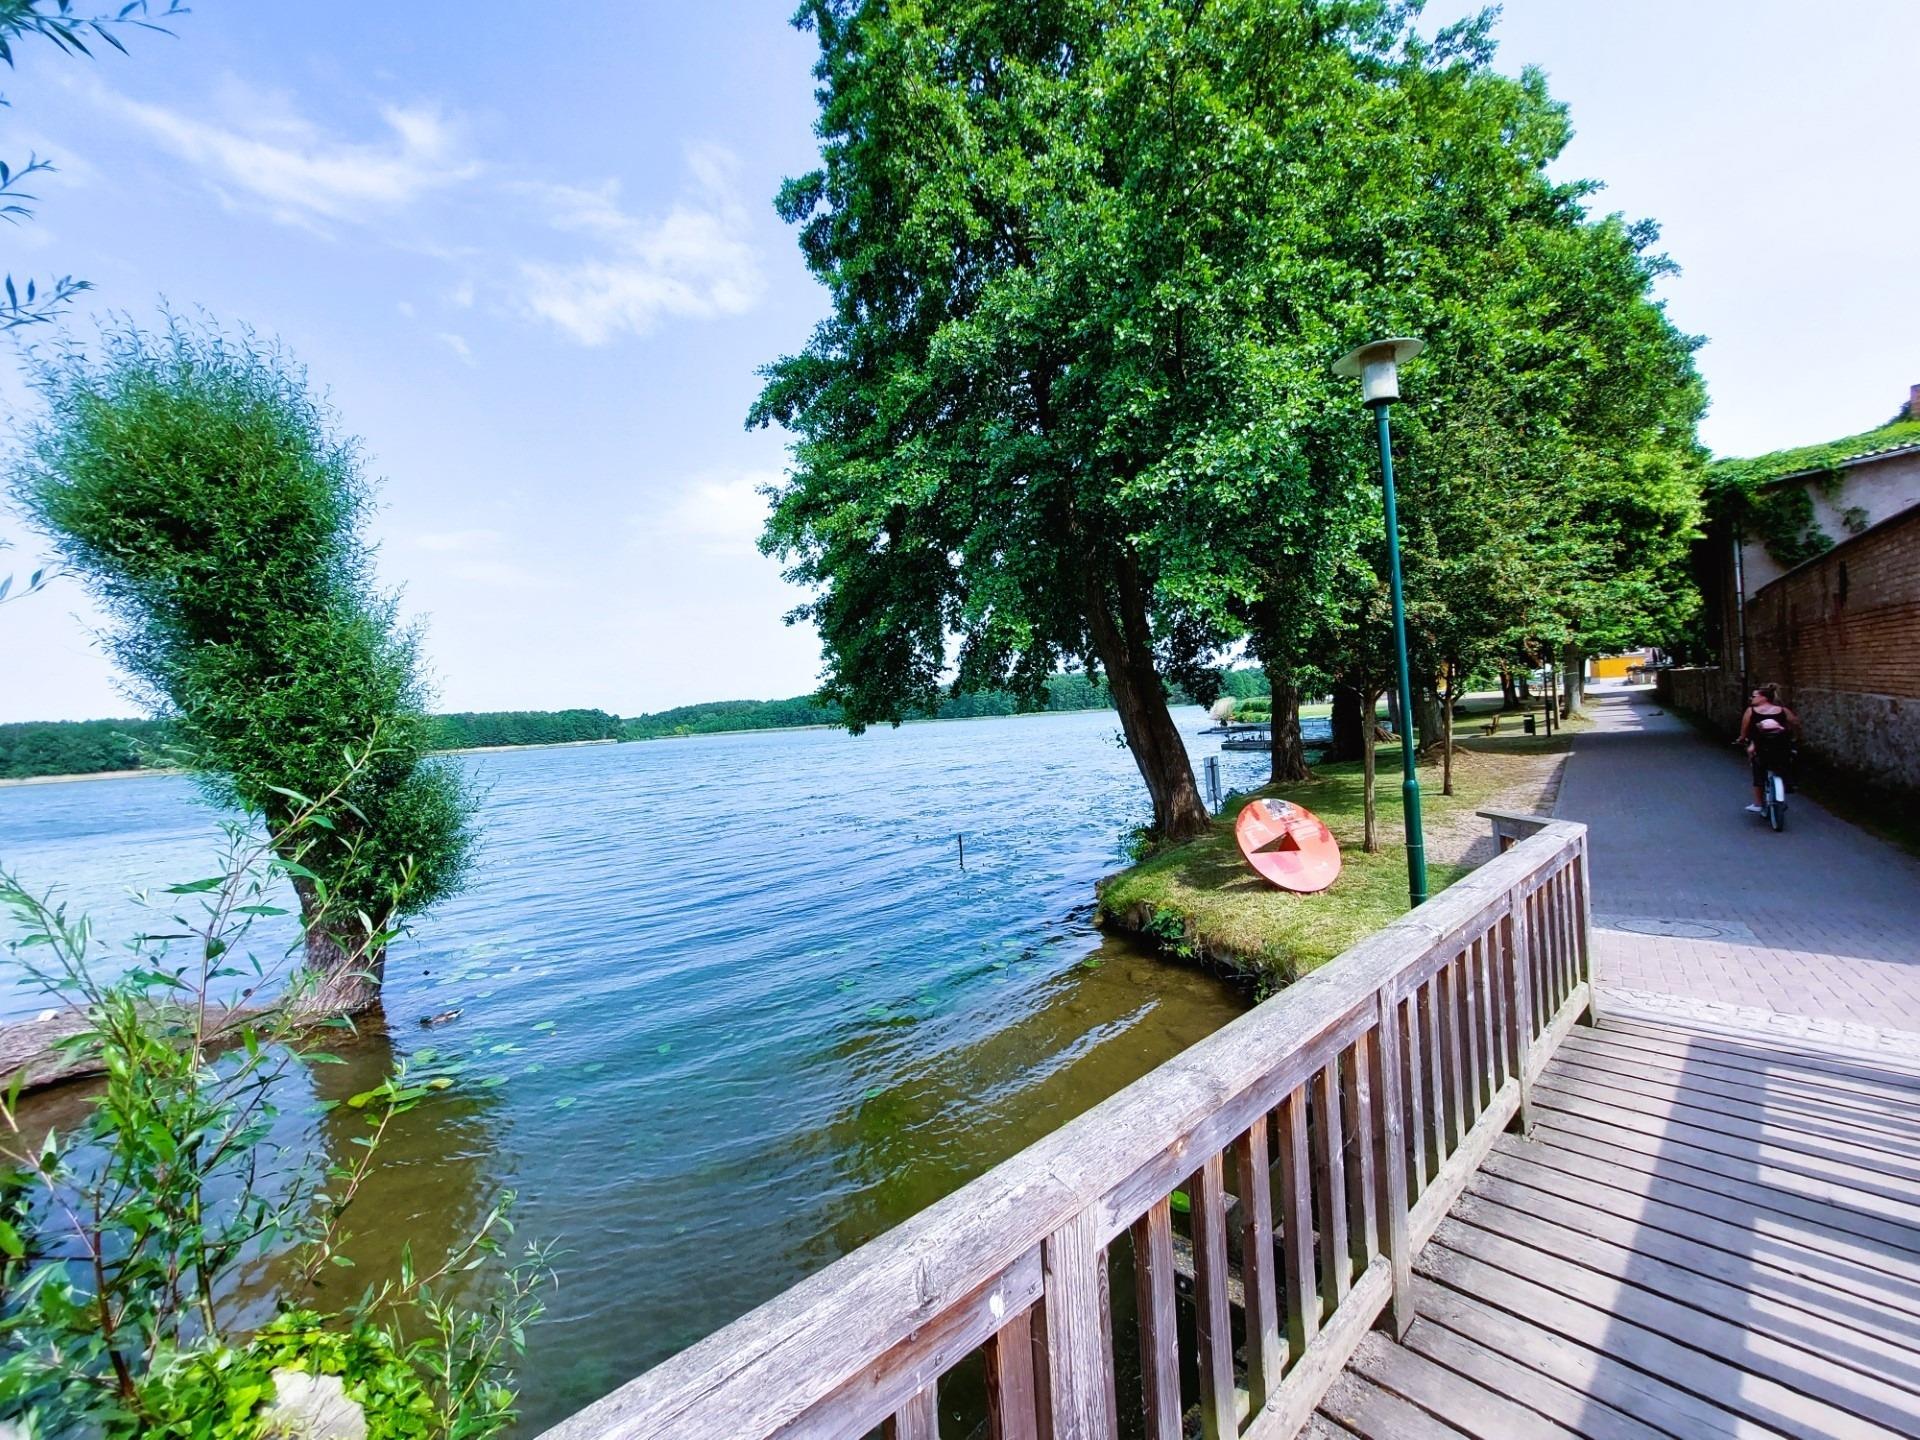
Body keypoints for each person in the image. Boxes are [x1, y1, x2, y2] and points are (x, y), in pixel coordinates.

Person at [1736, 682, 1800, 814]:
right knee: (1786, 762)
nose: (1752, 698)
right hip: (1781, 745)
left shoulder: (1751, 711)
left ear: (1763, 698)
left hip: (1760, 745)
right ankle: (1789, 784)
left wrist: (1741, 739)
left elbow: (1744, 730)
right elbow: (1795, 723)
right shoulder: (1783, 710)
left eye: (1754, 696)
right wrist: (1791, 734)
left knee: (1757, 769)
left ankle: (1758, 803)